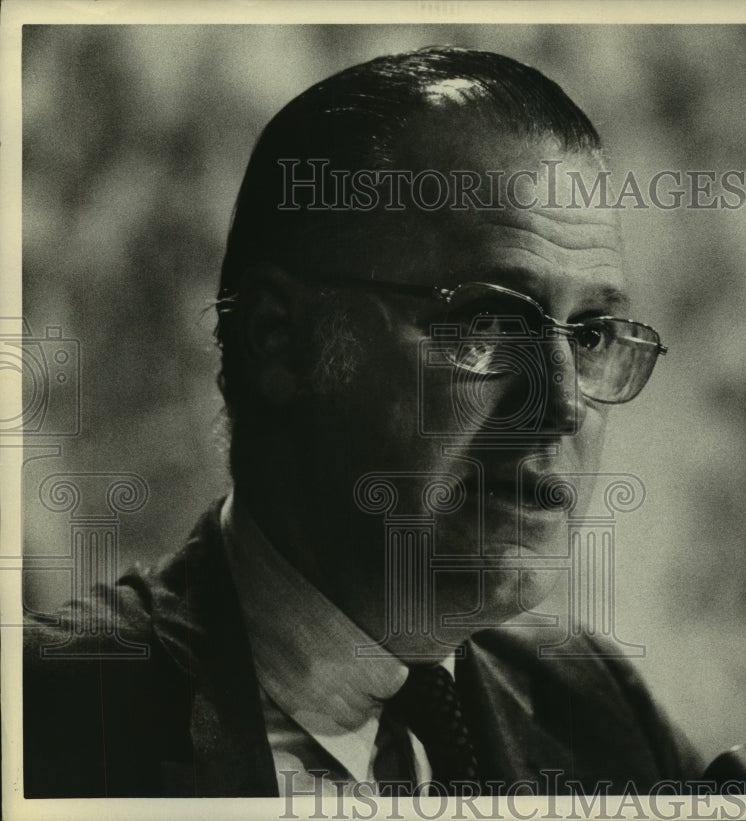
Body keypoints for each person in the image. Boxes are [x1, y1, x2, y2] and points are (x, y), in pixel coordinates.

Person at [22, 46, 702, 799]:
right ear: (279, 343)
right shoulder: (39, 723)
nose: (565, 404)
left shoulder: (597, 715)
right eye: (488, 322)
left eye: (592, 334)